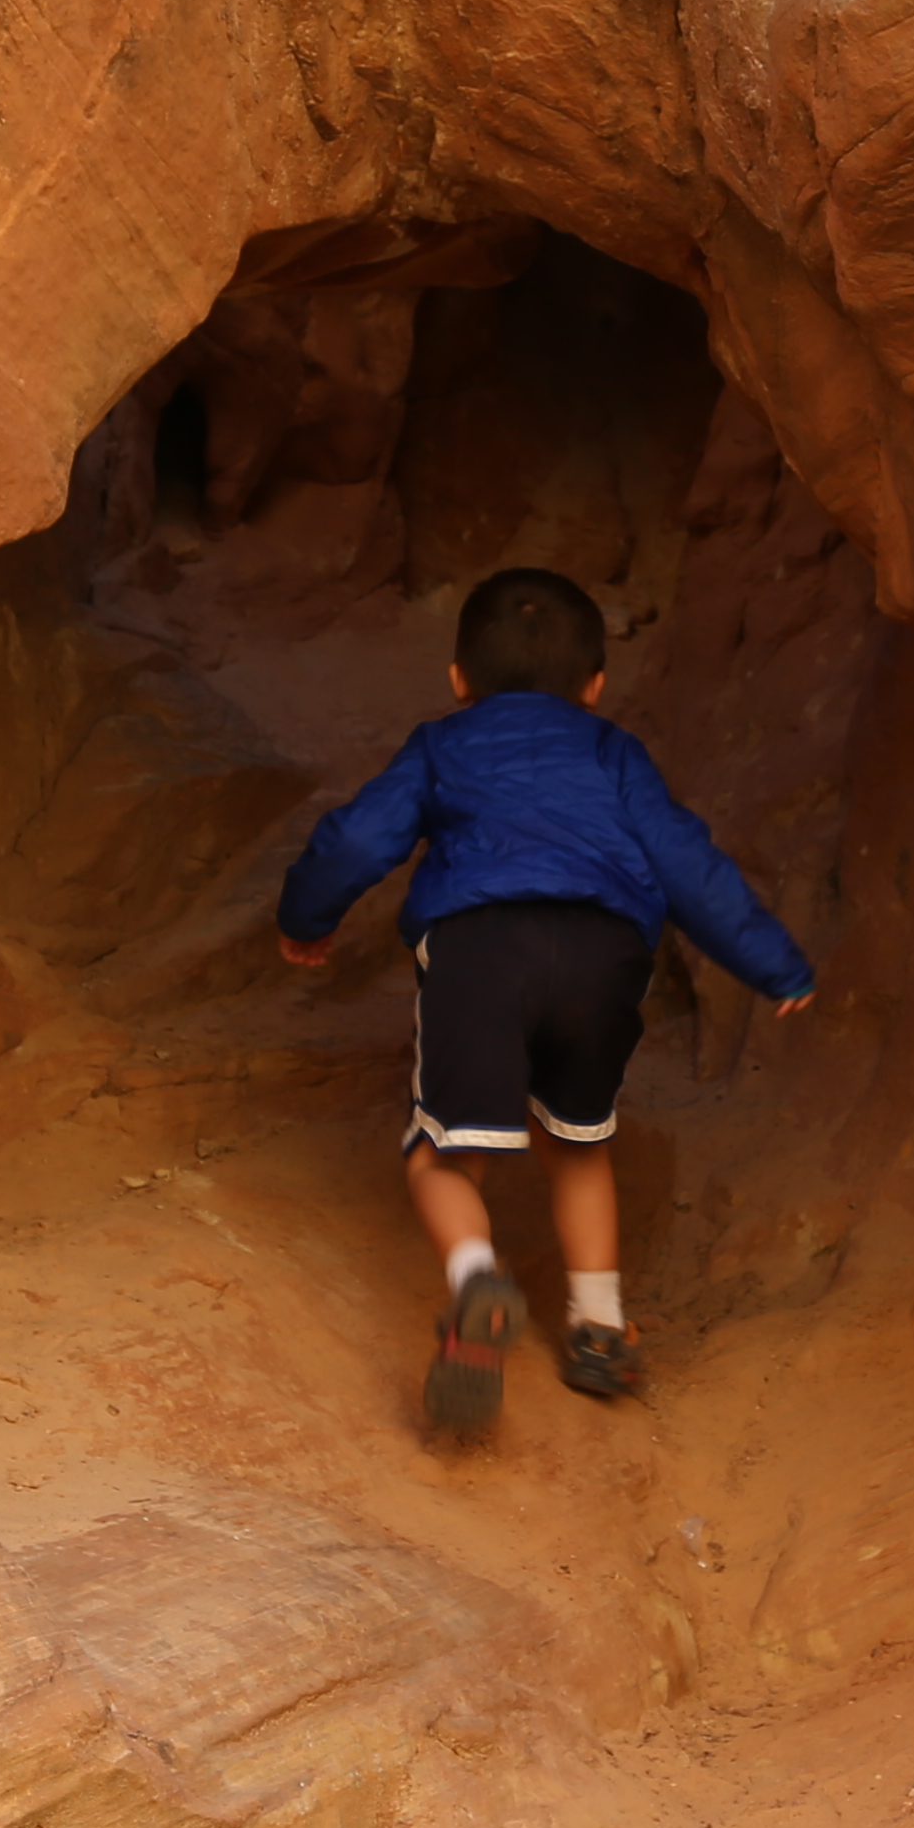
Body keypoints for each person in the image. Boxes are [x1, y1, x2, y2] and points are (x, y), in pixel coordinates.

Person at [275, 564, 817, 1434]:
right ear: (595, 687)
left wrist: (306, 917)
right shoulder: (614, 753)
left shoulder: (441, 745)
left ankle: (476, 1280)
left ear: (459, 680)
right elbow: (689, 865)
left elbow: (359, 838)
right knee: (580, 1143)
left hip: (481, 950)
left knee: (447, 1152)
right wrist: (774, 963)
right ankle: (599, 1330)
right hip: (604, 958)